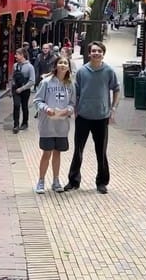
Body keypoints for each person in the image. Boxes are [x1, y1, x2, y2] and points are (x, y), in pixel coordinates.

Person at [65, 41, 120, 194]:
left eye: (99, 51)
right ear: (89, 53)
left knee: (101, 151)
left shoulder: (109, 71)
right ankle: (73, 180)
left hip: (101, 117)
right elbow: (76, 92)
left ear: (103, 54)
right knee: (78, 150)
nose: (96, 53)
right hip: (83, 116)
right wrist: (75, 109)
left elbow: (116, 89)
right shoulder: (82, 71)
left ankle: (102, 182)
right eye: (94, 51)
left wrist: (113, 108)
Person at [32, 57, 75, 194]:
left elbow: (73, 103)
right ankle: (41, 181)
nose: (63, 65)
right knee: (47, 153)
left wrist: (68, 110)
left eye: (65, 63)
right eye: (60, 63)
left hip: (62, 126)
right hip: (47, 125)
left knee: (57, 153)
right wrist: (46, 109)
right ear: (56, 65)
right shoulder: (46, 82)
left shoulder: (70, 84)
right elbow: (37, 100)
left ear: (68, 67)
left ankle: (56, 181)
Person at [12, 48, 35, 133]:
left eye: (17, 54)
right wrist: (12, 88)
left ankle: (25, 123)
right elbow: (12, 78)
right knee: (16, 105)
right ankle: (16, 125)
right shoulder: (15, 65)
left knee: (24, 106)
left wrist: (22, 89)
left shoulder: (30, 67)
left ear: (22, 55)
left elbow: (32, 81)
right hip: (16, 89)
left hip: (25, 90)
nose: (15, 56)